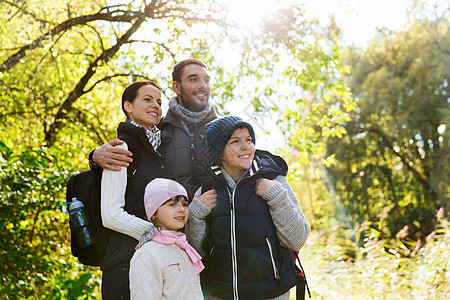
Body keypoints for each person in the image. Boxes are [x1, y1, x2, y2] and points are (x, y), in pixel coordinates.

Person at [185, 116, 311, 299]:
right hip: (221, 294)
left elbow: (297, 240)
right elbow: (197, 254)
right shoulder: (206, 192)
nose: (246, 146)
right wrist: (196, 215)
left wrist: (277, 197)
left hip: (270, 293)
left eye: (249, 140)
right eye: (235, 141)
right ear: (218, 152)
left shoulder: (274, 182)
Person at [89, 58, 217, 198]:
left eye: (206, 80)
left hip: (217, 217)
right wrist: (94, 156)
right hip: (174, 216)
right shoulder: (156, 133)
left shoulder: (223, 131)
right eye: (193, 79)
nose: (202, 85)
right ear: (176, 87)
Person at [100, 81, 167, 299]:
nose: (155, 105)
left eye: (158, 101)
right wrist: (159, 235)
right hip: (124, 264)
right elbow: (110, 215)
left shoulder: (160, 151)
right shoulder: (121, 147)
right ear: (128, 106)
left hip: (156, 262)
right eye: (147, 99)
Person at [129, 178, 204, 299]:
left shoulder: (185, 248)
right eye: (172, 204)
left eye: (184, 204)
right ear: (154, 213)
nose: (181, 209)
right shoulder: (147, 254)